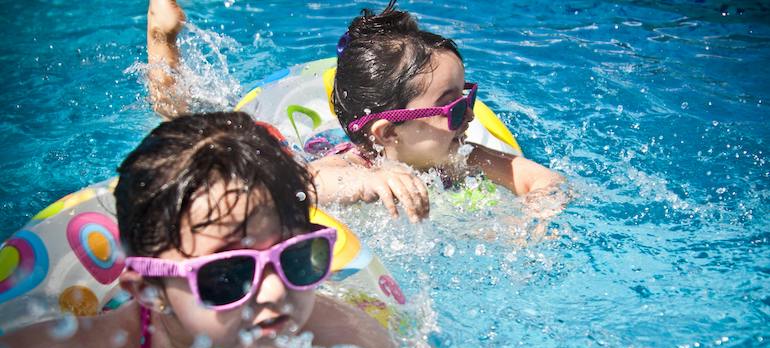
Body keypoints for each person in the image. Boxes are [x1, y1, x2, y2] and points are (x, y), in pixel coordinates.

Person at [0, 112, 394, 348]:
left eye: (294, 258)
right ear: (148, 290)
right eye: (229, 275)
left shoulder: (332, 333)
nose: (276, 291)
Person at [145, 0, 562, 223]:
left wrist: (532, 218)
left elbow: (539, 179)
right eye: (450, 109)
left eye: (466, 99)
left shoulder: (465, 157)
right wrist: (367, 182)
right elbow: (301, 185)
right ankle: (162, 39)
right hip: (302, 148)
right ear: (387, 134)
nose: (467, 117)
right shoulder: (353, 164)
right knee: (188, 133)